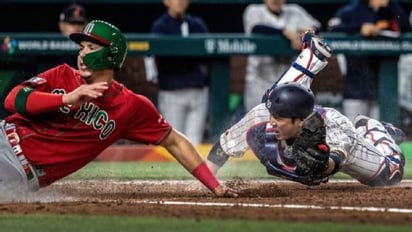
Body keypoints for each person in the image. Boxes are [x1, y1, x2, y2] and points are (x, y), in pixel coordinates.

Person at [0, 20, 237, 198]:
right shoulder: (62, 74)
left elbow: (175, 141)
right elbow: (12, 100)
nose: (82, 54)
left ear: (110, 55)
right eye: (82, 47)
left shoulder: (130, 106)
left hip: (22, 176)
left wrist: (214, 185)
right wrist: (66, 99)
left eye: (91, 47)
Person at [206, 31, 406, 187]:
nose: (272, 120)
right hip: (299, 111)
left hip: (346, 141)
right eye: (273, 115)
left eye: (280, 118)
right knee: (272, 96)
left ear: (300, 121)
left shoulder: (335, 130)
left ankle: (373, 130)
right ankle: (312, 55)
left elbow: (334, 162)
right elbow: (223, 147)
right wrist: (205, 181)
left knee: (390, 174)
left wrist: (321, 165)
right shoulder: (261, 116)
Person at [327, 0, 411, 121]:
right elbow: (332, 30)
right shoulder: (351, 9)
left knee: (382, 134)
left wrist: (391, 6)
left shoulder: (391, 7)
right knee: (355, 133)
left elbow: (407, 31)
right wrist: (359, 29)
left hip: (385, 84)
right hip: (356, 84)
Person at [144, 0, 210, 145]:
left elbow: (207, 56)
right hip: (172, 92)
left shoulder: (197, 24)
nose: (180, 1)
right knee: (175, 141)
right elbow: (154, 58)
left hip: (197, 91)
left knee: (195, 142)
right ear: (166, 2)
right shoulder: (160, 26)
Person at [242, 0, 321, 111]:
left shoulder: (295, 11)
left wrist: (306, 32)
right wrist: (286, 32)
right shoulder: (254, 10)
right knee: (258, 123)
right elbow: (256, 28)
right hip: (259, 82)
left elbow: (317, 26)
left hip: (289, 81)